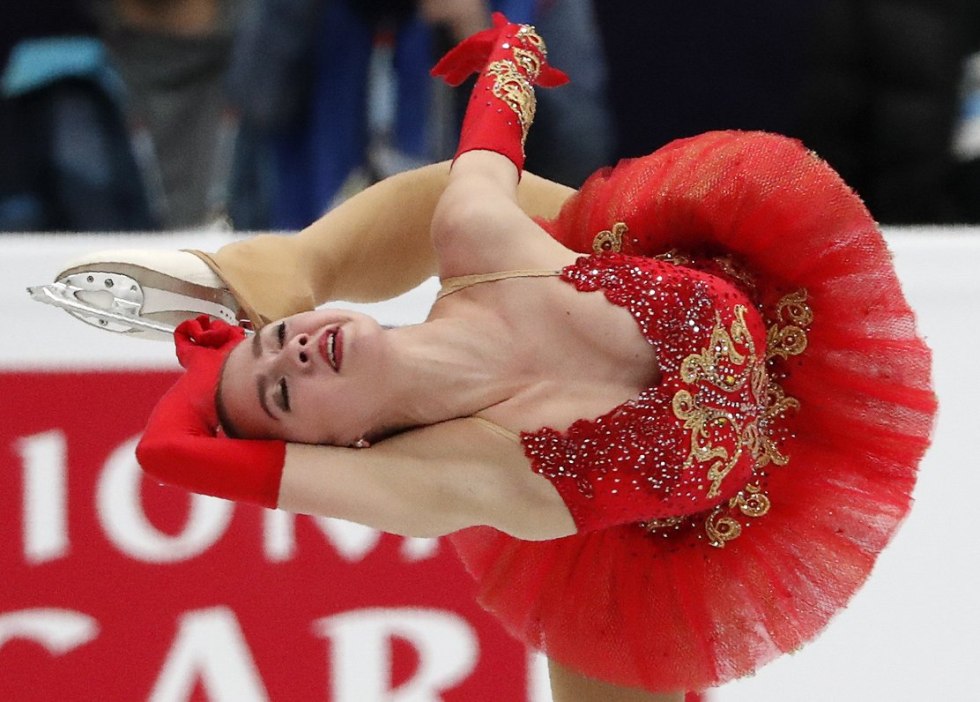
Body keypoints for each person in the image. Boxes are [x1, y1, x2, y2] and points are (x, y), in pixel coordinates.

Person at [50, 14, 936, 700]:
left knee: (460, 197)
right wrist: (213, 368)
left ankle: (266, 275)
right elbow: (170, 455)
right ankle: (252, 282)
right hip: (669, 547)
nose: (300, 355)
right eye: (284, 393)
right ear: (338, 449)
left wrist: (510, 49)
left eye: (283, 340)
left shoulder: (476, 238)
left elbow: (494, 124)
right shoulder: (439, 481)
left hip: (724, 272)